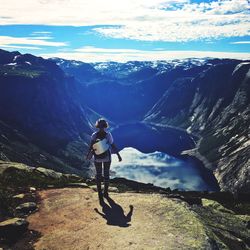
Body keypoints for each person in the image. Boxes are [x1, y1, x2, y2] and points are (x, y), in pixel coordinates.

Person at [86, 118, 122, 201]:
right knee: (106, 175)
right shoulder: (108, 135)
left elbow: (91, 146)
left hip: (97, 158)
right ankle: (105, 192)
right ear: (105, 126)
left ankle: (99, 193)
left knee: (98, 175)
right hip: (107, 157)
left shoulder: (94, 135)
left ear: (97, 126)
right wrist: (118, 155)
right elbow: (113, 145)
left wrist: (88, 155)